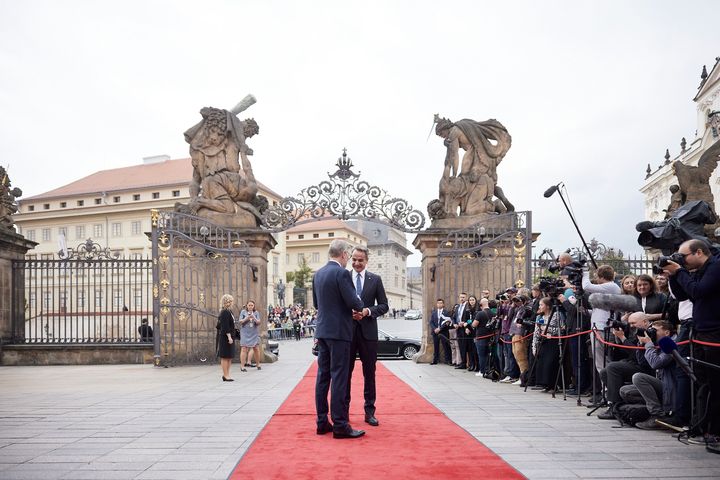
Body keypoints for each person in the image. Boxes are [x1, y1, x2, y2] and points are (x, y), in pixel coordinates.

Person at [664, 239, 720, 444]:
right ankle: (701, 427)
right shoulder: (700, 270)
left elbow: (698, 291)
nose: (682, 260)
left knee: (715, 384)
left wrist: (680, 272)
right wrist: (672, 276)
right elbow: (683, 295)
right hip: (701, 332)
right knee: (702, 382)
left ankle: (713, 431)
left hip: (714, 334)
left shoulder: (715, 266)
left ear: (698, 252)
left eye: (684, 256)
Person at [313, 239, 365, 439]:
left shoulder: (318, 274)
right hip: (340, 333)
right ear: (343, 254)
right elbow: (355, 302)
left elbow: (318, 304)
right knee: (340, 378)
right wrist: (358, 301)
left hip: (323, 331)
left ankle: (321, 422)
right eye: (348, 256)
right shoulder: (341, 273)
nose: (348, 260)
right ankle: (341, 425)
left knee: (323, 377)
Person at [346, 246, 389, 427]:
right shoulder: (344, 277)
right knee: (344, 374)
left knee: (369, 374)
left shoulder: (375, 280)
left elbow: (384, 306)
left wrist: (367, 311)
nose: (356, 263)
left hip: (368, 334)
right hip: (346, 333)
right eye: (354, 259)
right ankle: (343, 411)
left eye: (360, 260)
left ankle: (369, 411)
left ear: (366, 261)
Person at [216, 294, 236, 382]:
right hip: (225, 337)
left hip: (230, 336)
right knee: (225, 357)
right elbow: (225, 326)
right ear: (224, 302)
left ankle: (227, 374)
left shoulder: (229, 311)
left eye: (230, 301)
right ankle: (225, 375)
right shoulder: (225, 312)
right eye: (228, 301)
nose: (230, 303)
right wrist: (229, 337)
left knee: (229, 356)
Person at [238, 300, 262, 372]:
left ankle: (258, 364)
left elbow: (259, 322)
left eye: (252, 305)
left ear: (254, 306)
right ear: (247, 305)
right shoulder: (243, 312)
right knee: (244, 348)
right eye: (249, 305)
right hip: (245, 332)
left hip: (253, 332)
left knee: (256, 348)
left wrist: (253, 317)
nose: (250, 306)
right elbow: (240, 321)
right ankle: (242, 366)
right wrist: (247, 318)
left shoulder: (256, 312)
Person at [430, 299, 452, 365]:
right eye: (438, 303)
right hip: (435, 332)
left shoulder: (446, 312)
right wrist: (435, 329)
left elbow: (447, 322)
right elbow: (431, 322)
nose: (439, 304)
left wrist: (440, 328)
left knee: (446, 346)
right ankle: (435, 360)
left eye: (441, 303)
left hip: (443, 331)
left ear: (443, 304)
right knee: (436, 346)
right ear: (437, 304)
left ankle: (448, 360)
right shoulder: (434, 312)